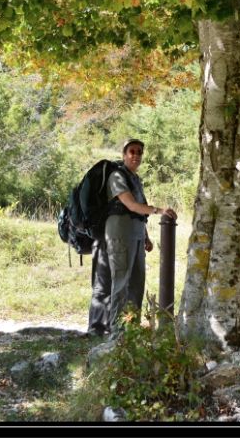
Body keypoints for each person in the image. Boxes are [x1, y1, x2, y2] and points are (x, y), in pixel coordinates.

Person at [88, 138, 177, 338]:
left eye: (139, 152)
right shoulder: (117, 176)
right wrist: (160, 210)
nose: (136, 155)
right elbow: (130, 205)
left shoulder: (135, 179)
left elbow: (138, 212)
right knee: (121, 282)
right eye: (132, 152)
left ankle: (132, 329)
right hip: (120, 234)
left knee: (137, 282)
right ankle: (117, 332)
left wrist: (145, 236)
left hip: (136, 234)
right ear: (124, 154)